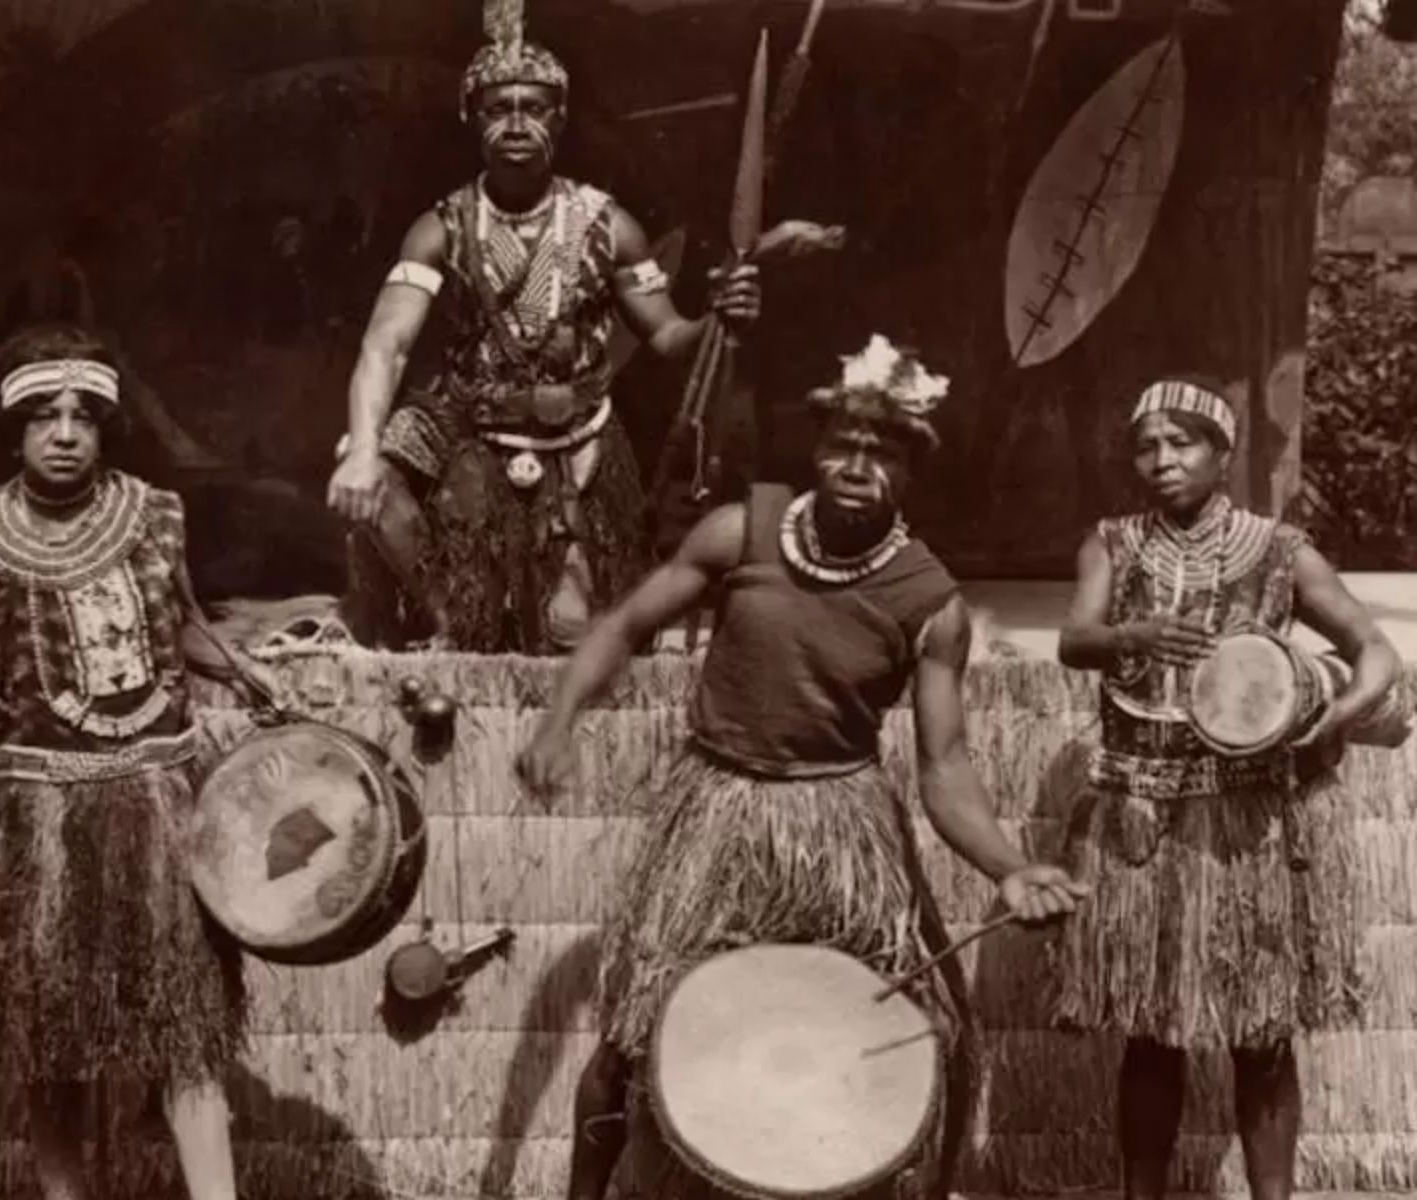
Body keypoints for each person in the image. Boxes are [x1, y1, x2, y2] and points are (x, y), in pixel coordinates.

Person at [518, 335, 1088, 1200]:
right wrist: (561, 719)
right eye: (844, 444)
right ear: (817, 447)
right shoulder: (740, 530)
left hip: (841, 824)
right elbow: (627, 624)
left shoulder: (931, 603)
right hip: (712, 815)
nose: (858, 465)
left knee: (936, 1037)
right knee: (632, 1046)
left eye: (883, 450)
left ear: (911, 468)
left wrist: (1010, 867)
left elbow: (946, 766)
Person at [0, 324, 263, 1200]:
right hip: (36, 821)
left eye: (83, 417)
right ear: (13, 432)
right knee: (50, 1037)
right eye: (42, 417)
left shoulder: (155, 516)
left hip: (157, 802)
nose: (65, 434)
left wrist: (241, 665)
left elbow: (169, 631)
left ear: (106, 427)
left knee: (189, 1030)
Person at [1054, 379, 1401, 1200]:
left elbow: (1374, 648)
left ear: (1223, 452)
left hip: (1249, 815)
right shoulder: (1112, 541)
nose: (1162, 460)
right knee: (1149, 1029)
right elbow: (1073, 639)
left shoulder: (1280, 549)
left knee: (1261, 1029)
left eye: (1182, 442)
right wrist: (1129, 636)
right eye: (1147, 445)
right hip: (1140, 812)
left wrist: (1337, 716)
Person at [325, 34, 761, 653]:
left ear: (559, 117)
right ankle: (447, 621)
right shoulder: (441, 229)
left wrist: (716, 317)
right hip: (471, 435)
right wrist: (363, 450)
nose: (517, 123)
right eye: (498, 108)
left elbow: (666, 335)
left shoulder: (608, 225)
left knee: (569, 633)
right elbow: (385, 346)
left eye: (534, 107)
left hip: (577, 447)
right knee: (377, 468)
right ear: (473, 119)